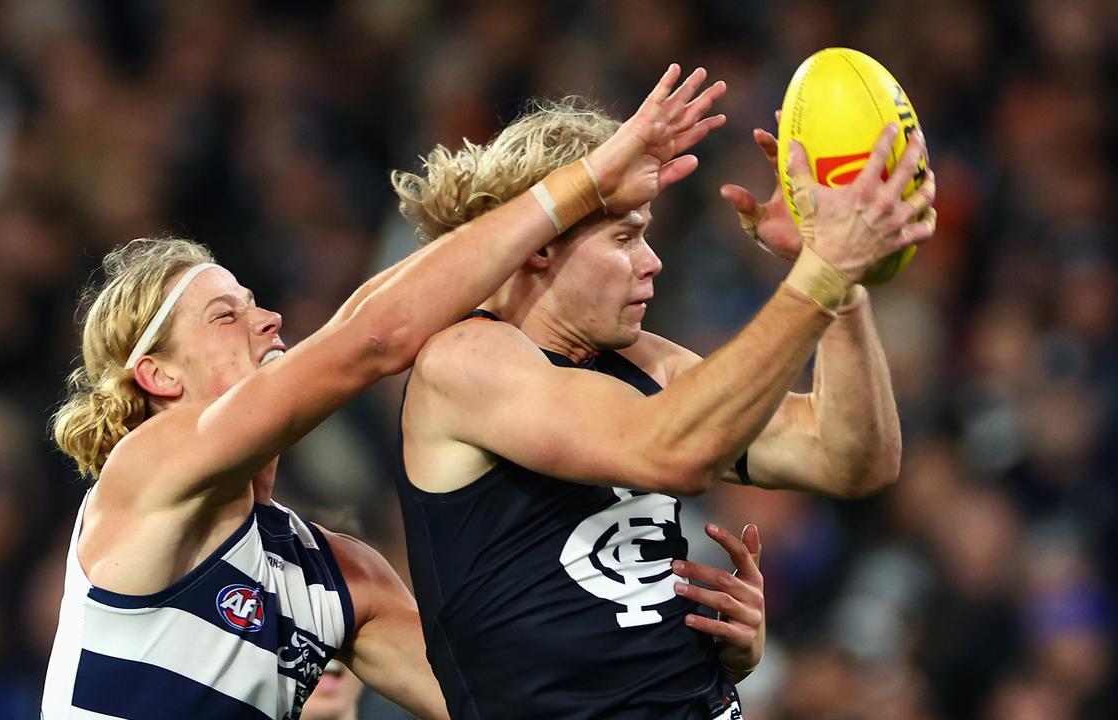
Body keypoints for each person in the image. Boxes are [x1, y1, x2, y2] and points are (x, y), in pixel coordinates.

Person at [40, 64, 724, 719]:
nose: (269, 319)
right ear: (159, 376)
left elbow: (504, 700)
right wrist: (582, 185)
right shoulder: (144, 474)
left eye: (256, 302)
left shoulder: (336, 578)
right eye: (226, 315)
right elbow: (371, 341)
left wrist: (718, 658)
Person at [391, 92, 937, 719]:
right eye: (625, 237)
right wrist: (818, 276)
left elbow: (850, 459)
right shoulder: (464, 361)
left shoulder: (643, 361)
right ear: (540, 245)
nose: (652, 262)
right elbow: (672, 451)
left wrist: (838, 282)